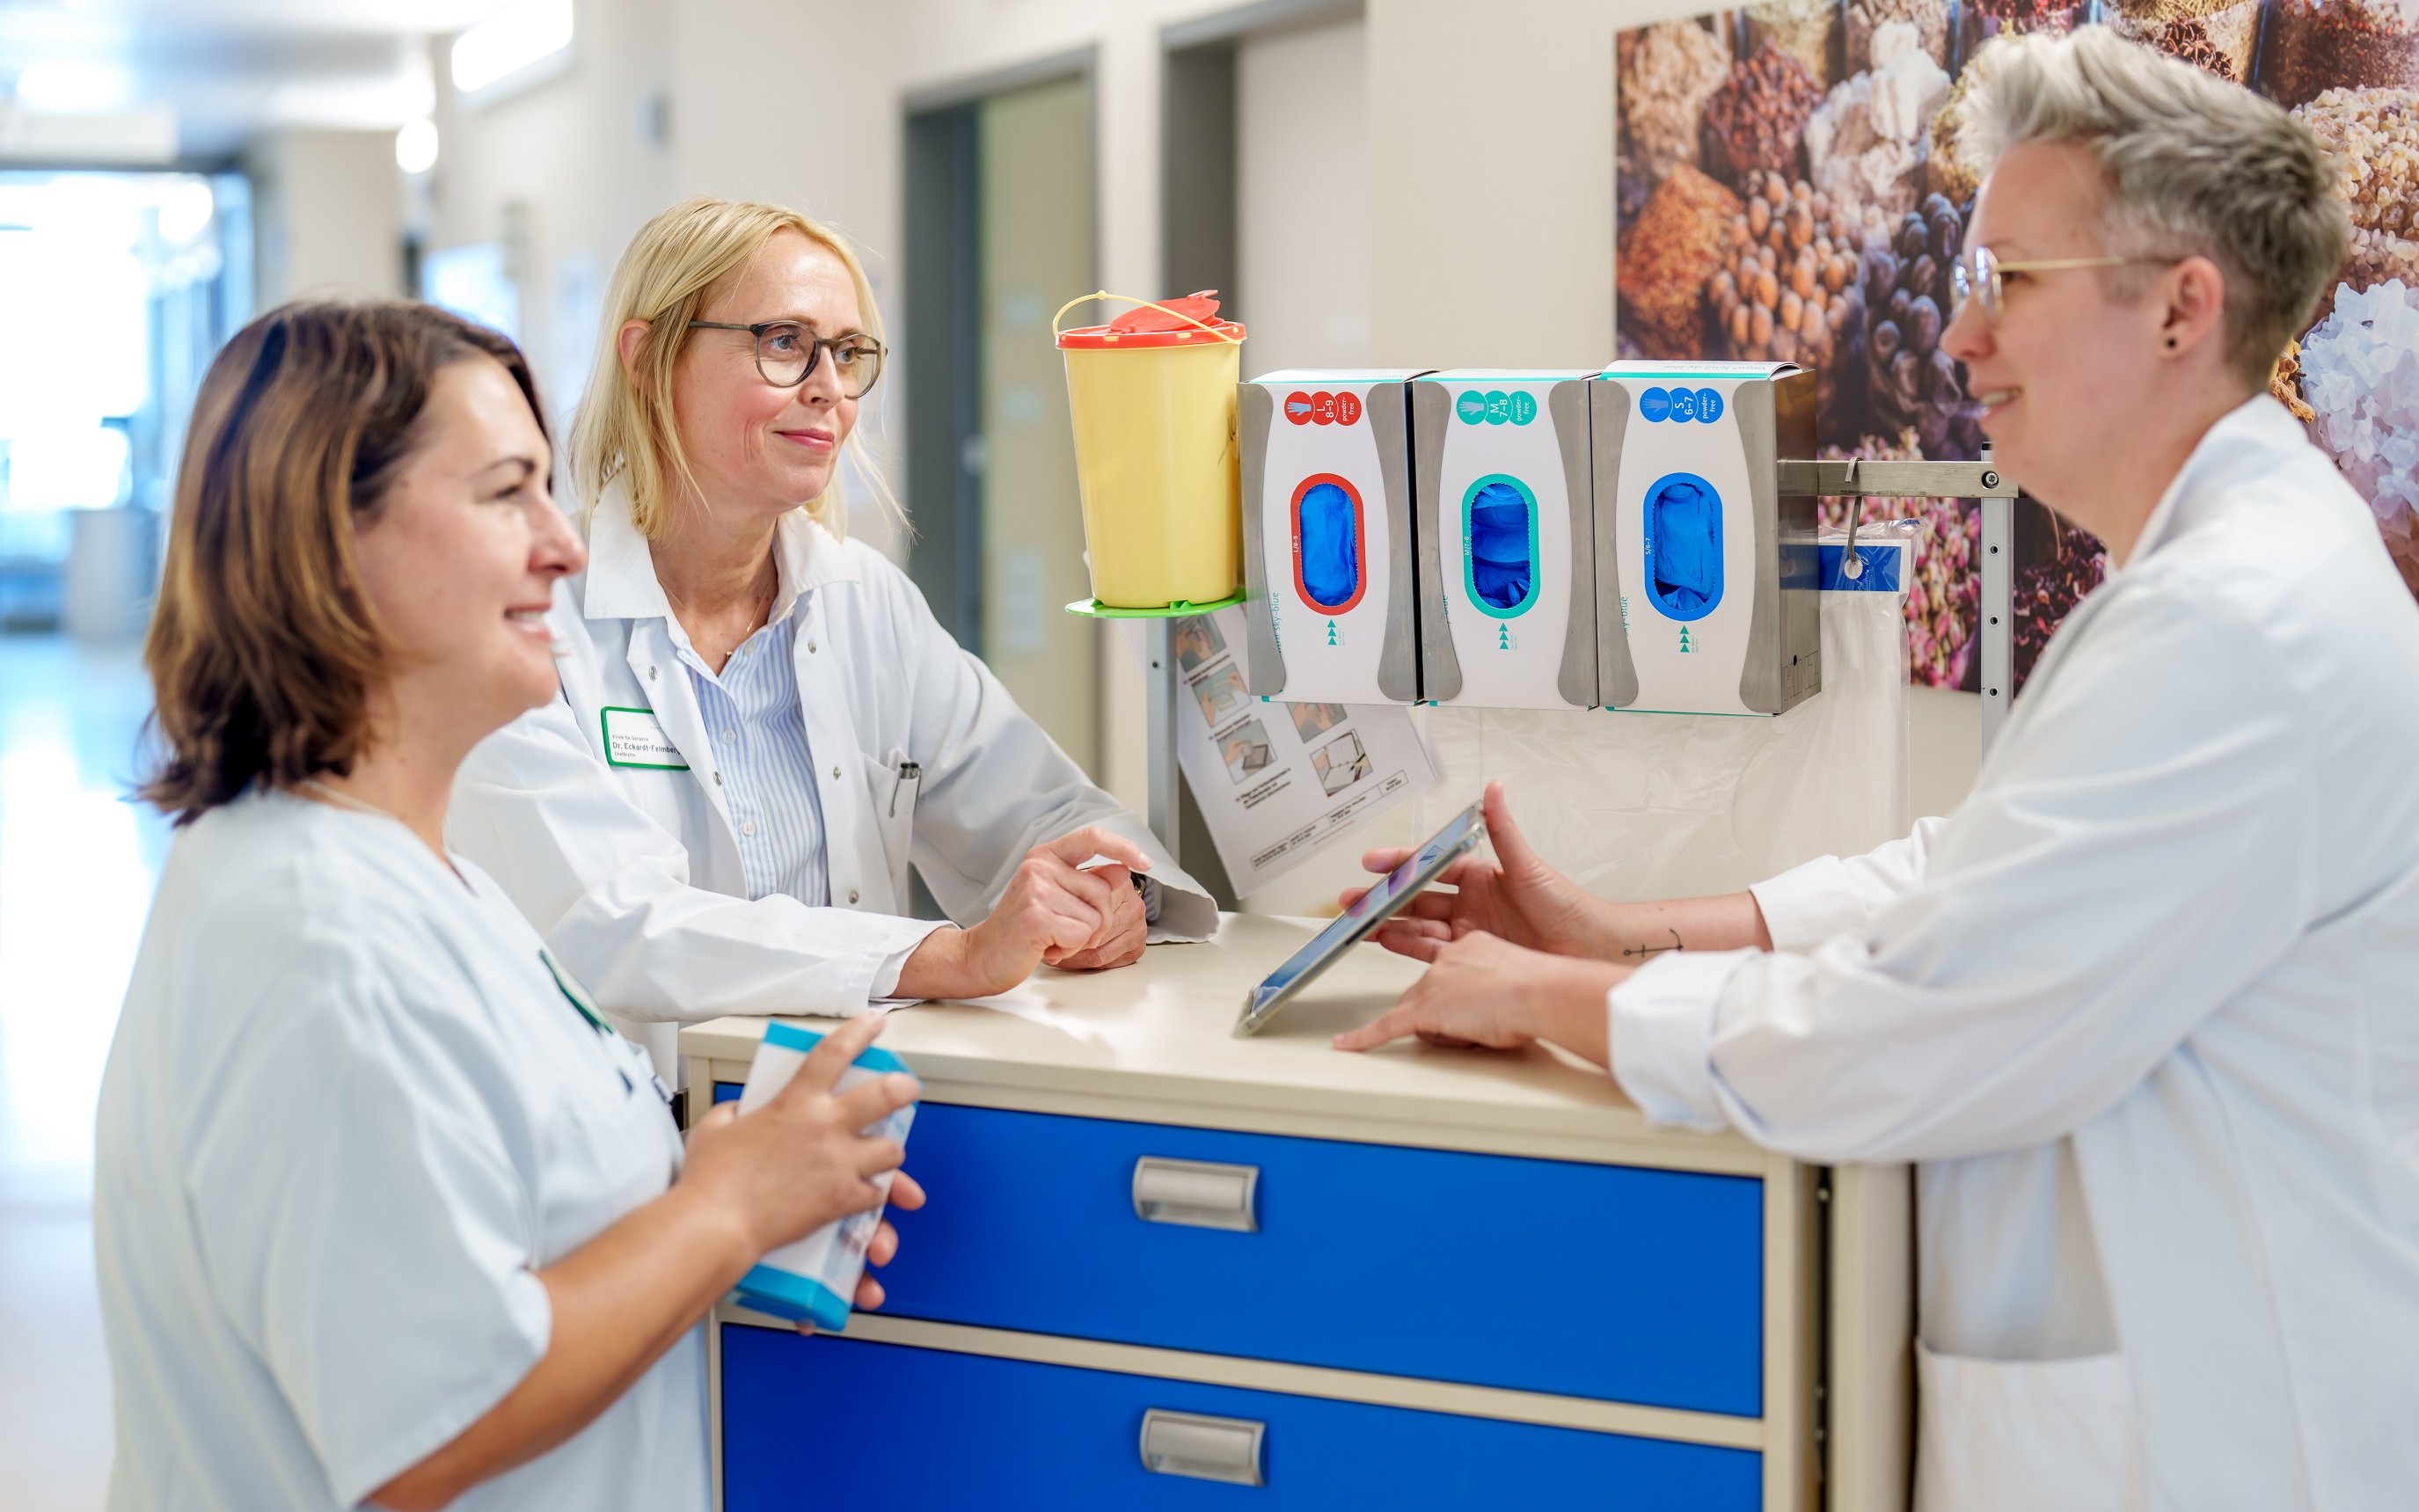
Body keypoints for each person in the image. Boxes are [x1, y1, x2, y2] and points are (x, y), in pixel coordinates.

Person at [1335, 30, 2419, 1511]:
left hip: (2209, 1426)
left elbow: (1934, 1025)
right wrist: (1623, 928)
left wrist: (1547, 998)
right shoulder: (2220, 574)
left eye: (2008, 284)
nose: (1959, 340)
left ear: (2182, 309)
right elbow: (1974, 870)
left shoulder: (2239, 621)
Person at [95, 301, 924, 1512]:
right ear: (331, 542)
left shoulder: (437, 883)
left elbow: (488, 1230)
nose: (567, 546)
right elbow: (430, 1425)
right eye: (505, 494)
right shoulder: (324, 943)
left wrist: (735, 1193)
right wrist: (721, 1208)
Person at [450, 197, 1215, 1078]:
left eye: (847, 354)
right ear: (647, 359)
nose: (828, 388)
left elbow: (1041, 811)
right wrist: (948, 957)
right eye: (783, 343)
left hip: (834, 1136)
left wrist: (1108, 893)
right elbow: (615, 923)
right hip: (617, 1148)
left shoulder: (863, 604)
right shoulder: (527, 621)